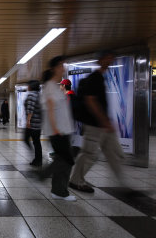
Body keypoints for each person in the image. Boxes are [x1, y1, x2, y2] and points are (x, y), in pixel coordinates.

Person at [69, 51, 124, 193]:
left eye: (112, 57)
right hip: (95, 124)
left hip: (102, 124)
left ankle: (124, 183)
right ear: (100, 60)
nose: (111, 60)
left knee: (113, 153)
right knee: (89, 153)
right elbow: (90, 100)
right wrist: (104, 121)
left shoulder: (100, 77)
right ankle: (76, 180)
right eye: (108, 57)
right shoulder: (95, 78)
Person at [40, 56, 76, 201]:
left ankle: (58, 190)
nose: (63, 68)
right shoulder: (50, 87)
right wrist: (55, 129)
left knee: (64, 159)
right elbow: (50, 109)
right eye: (61, 65)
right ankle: (44, 176)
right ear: (54, 68)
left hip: (62, 130)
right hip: (58, 131)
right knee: (67, 160)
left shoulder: (55, 86)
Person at [24, 80, 42, 166]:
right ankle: (38, 159)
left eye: (28, 85)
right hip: (38, 123)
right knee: (36, 142)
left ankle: (37, 159)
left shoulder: (31, 95)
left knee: (27, 139)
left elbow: (30, 109)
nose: (27, 87)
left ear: (31, 86)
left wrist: (28, 121)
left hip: (32, 124)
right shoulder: (39, 95)